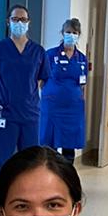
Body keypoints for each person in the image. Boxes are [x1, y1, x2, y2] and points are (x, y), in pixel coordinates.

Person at [0, 3, 50, 186]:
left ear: (29, 22)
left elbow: (41, 79)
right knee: (1, 162)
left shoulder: (38, 51)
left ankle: (26, 204)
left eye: (23, 20)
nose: (19, 23)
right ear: (8, 22)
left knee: (30, 163)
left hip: (30, 114)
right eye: (15, 19)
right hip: (4, 113)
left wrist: (26, 94)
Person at [38, 19, 88, 163]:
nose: (71, 35)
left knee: (69, 145)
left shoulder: (81, 58)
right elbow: (41, 81)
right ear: (62, 33)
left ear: (78, 35)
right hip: (53, 107)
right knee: (50, 145)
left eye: (74, 32)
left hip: (73, 109)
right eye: (68, 32)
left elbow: (83, 83)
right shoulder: (50, 55)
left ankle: (67, 177)